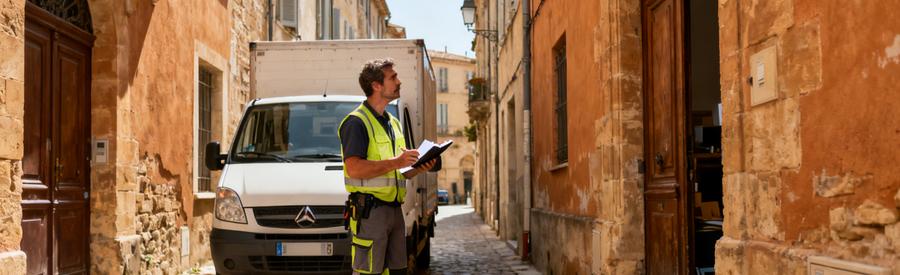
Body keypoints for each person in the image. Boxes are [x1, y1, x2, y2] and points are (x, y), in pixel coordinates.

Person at [339, 58, 437, 275]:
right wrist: (397, 162)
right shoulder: (356, 123)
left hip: (394, 211)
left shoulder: (393, 122)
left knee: (398, 271)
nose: (399, 81)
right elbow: (354, 169)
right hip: (371, 213)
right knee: (369, 272)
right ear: (376, 85)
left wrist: (419, 166)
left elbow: (398, 170)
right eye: (392, 77)